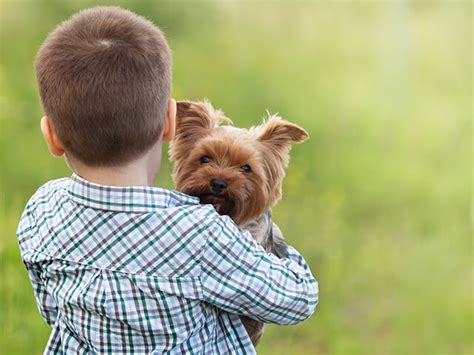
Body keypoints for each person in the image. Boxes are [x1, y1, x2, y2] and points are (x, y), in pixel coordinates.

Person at [16, 6, 318, 354]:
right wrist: (272, 242)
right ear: (170, 123)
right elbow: (298, 300)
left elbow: (52, 310)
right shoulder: (202, 235)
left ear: (51, 135)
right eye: (206, 159)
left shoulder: (41, 210)